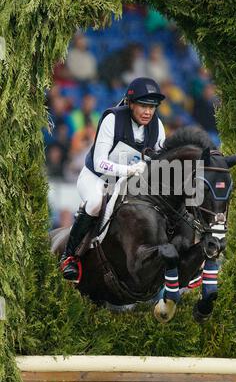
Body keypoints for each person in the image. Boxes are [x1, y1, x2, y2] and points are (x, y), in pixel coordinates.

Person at [60, 77, 166, 283]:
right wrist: (129, 170)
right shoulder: (112, 119)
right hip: (96, 177)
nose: (148, 112)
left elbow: (160, 159)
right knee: (95, 204)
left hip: (128, 182)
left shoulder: (157, 126)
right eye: (143, 105)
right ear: (130, 103)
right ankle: (69, 256)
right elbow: (100, 162)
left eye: (152, 107)